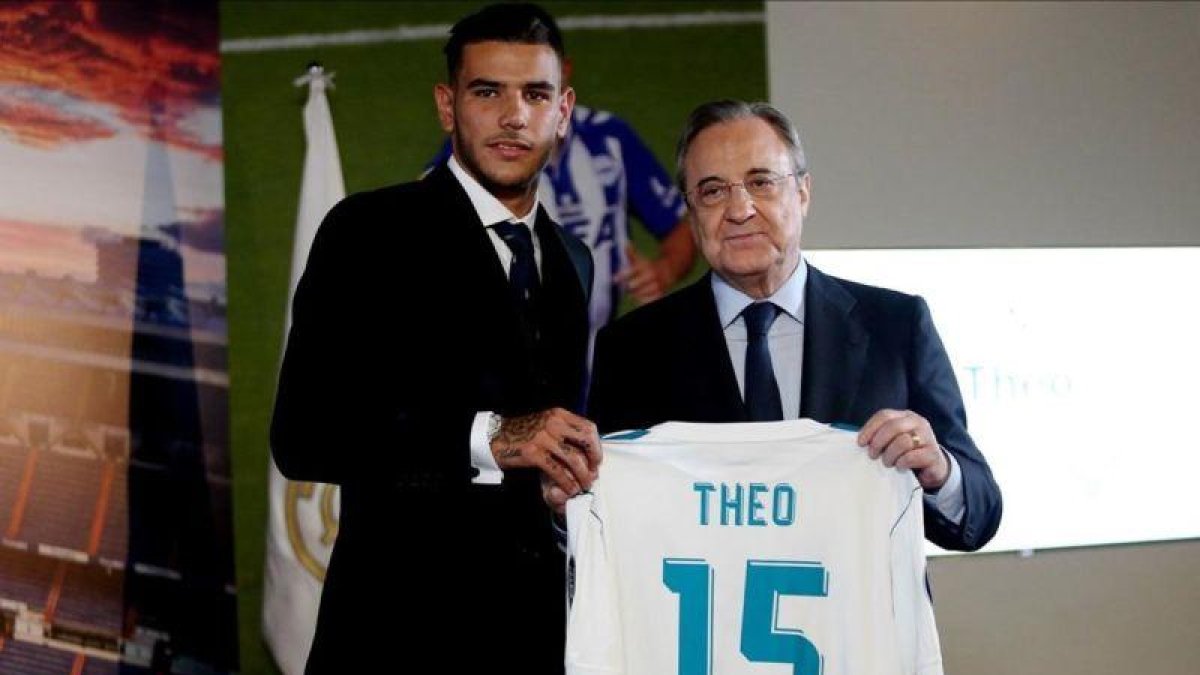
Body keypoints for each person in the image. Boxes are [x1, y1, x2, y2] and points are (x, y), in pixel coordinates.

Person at [270, 4, 601, 672]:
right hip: (394, 637)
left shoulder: (572, 260)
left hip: (535, 639)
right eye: (488, 92)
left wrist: (560, 484)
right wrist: (486, 436)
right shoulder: (368, 231)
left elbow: (537, 439)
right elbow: (303, 433)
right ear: (447, 106)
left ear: (562, 110)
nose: (514, 116)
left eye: (535, 94)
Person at [584, 100, 1001, 552]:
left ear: (803, 193)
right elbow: (607, 522)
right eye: (712, 192)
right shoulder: (632, 348)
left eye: (761, 183)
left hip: (856, 622)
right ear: (691, 211)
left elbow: (977, 516)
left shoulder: (896, 327)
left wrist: (938, 470)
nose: (739, 210)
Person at [428, 59, 696, 349]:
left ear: (564, 73)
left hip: (597, 365)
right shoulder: (473, 152)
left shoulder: (609, 139)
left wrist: (663, 271)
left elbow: (681, 227)